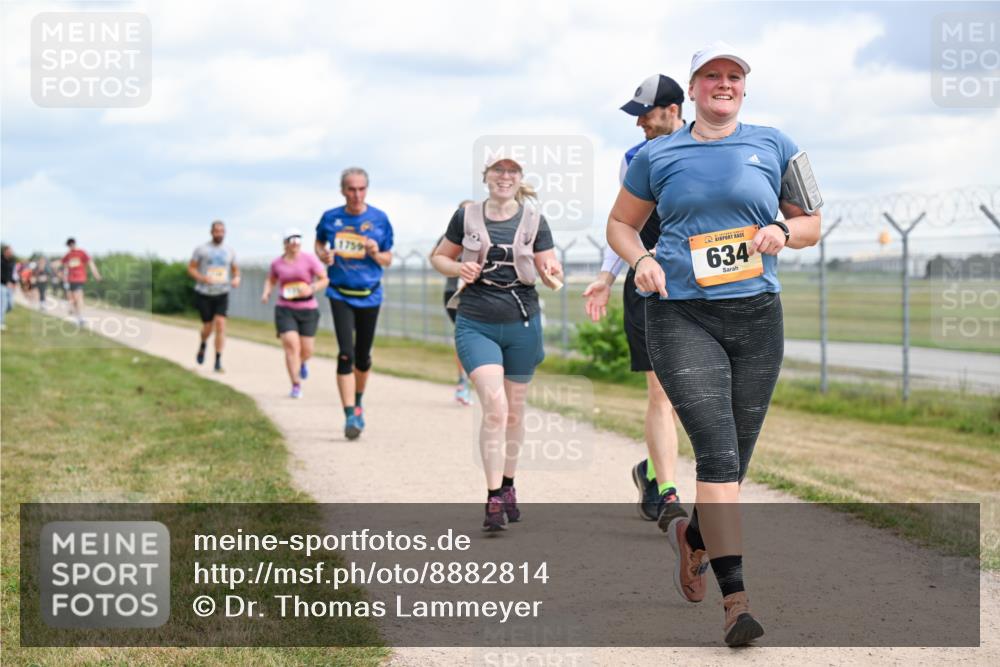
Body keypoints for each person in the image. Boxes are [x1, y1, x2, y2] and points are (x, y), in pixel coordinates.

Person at [607, 41, 821, 646]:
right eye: (711, 76)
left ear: (744, 87)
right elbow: (620, 224)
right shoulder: (656, 154)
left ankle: (693, 537)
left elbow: (812, 224)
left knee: (738, 460)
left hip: (757, 318)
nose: (723, 84)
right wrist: (642, 260)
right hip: (680, 315)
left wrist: (782, 230)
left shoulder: (777, 145)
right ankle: (736, 601)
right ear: (694, 88)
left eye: (733, 76)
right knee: (718, 458)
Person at [431, 156, 563, 532]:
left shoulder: (535, 221)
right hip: (476, 322)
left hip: (522, 323)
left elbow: (549, 267)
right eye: (498, 171)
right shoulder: (466, 217)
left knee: (514, 412)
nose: (505, 177)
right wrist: (458, 267)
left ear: (519, 179)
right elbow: (439, 257)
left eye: (512, 172)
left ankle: (508, 485)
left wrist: (552, 271)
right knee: (495, 406)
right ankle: (492, 499)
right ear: (486, 177)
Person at [582, 73, 688, 530]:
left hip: (697, 287)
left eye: (645, 114)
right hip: (646, 284)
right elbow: (623, 222)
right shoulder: (634, 159)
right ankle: (669, 494)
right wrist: (607, 276)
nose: (639, 123)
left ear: (673, 110)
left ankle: (650, 469)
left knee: (688, 396)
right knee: (660, 391)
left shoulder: (705, 151)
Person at [315, 168, 394, 440]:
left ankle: (358, 402)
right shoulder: (330, 218)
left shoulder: (380, 219)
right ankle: (349, 415)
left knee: (363, 357)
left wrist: (375, 252)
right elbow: (319, 243)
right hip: (340, 293)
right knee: (345, 354)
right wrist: (324, 255)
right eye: (351, 189)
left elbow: (388, 259)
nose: (357, 194)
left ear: (367, 190)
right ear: (342, 190)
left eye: (361, 189)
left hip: (369, 294)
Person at [261, 228, 329, 398]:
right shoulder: (277, 263)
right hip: (285, 308)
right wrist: (266, 292)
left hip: (308, 308)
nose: (295, 243)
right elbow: (271, 280)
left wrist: (312, 288)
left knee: (307, 350)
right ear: (285, 243)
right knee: (291, 346)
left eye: (298, 240)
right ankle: (296, 384)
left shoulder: (309, 259)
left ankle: (303, 362)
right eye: (291, 240)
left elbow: (324, 279)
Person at [436, 199, 477, 406]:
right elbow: (435, 257)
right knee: (465, 338)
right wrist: (456, 265)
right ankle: (463, 383)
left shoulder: (486, 235)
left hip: (481, 294)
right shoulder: (450, 236)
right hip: (455, 293)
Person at [188, 220, 240, 372]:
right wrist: (202, 278)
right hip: (204, 293)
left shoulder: (230, 251)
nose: (219, 234)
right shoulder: (201, 249)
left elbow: (235, 270)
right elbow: (191, 269)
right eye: (217, 231)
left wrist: (237, 278)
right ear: (211, 232)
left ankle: (218, 360)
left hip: (222, 292)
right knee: (208, 327)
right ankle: (203, 343)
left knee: (221, 325)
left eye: (222, 231)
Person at [61, 238, 102, 325]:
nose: (70, 247)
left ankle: (80, 317)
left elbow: (90, 263)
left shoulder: (81, 253)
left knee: (78, 297)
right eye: (69, 246)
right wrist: (63, 275)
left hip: (79, 278)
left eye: (71, 245)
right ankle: (78, 316)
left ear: (74, 244)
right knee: (74, 299)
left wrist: (96, 274)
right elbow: (63, 265)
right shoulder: (68, 255)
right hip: (70, 279)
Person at [1, 245, 15, 331]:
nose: (11, 253)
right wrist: (6, 282)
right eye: (9, 251)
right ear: (5, 252)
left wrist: (13, 282)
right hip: (2, 285)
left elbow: (12, 274)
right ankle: (1, 322)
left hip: (9, 286)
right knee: (3, 304)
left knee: (10, 305)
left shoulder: (12, 261)